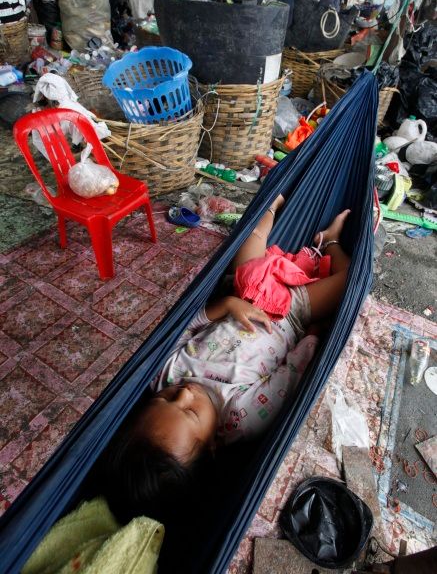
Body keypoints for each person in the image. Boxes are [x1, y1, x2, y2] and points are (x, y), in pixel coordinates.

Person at [100, 196, 352, 520]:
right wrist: (314, 333)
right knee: (349, 285)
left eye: (165, 399)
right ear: (212, 445)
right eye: (190, 411)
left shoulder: (165, 375)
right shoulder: (240, 416)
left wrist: (226, 307)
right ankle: (330, 242)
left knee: (252, 240)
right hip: (288, 313)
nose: (184, 393)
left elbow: (186, 325)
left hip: (245, 290)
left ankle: (274, 203)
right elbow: (290, 375)